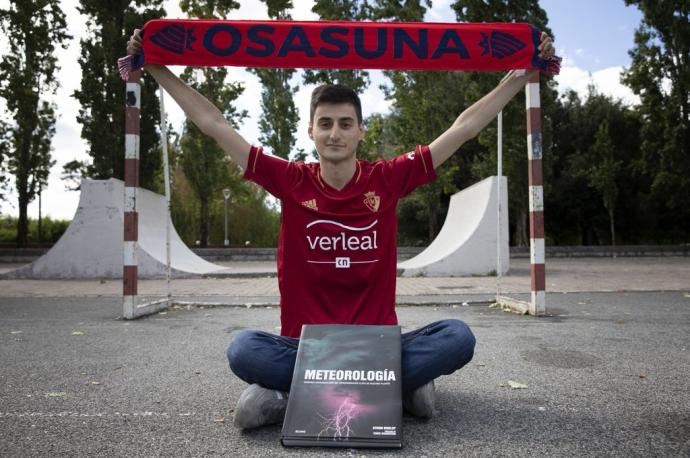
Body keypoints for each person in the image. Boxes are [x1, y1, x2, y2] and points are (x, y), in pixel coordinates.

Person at [127, 28, 554, 429]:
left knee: (457, 337)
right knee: (243, 349)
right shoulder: (290, 179)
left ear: (360, 131)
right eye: (326, 123)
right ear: (310, 131)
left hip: (376, 346)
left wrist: (521, 75)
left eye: (345, 123)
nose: (335, 133)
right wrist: (157, 67)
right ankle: (400, 388)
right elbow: (215, 124)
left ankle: (286, 395)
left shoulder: (386, 179)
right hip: (308, 347)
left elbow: (463, 128)